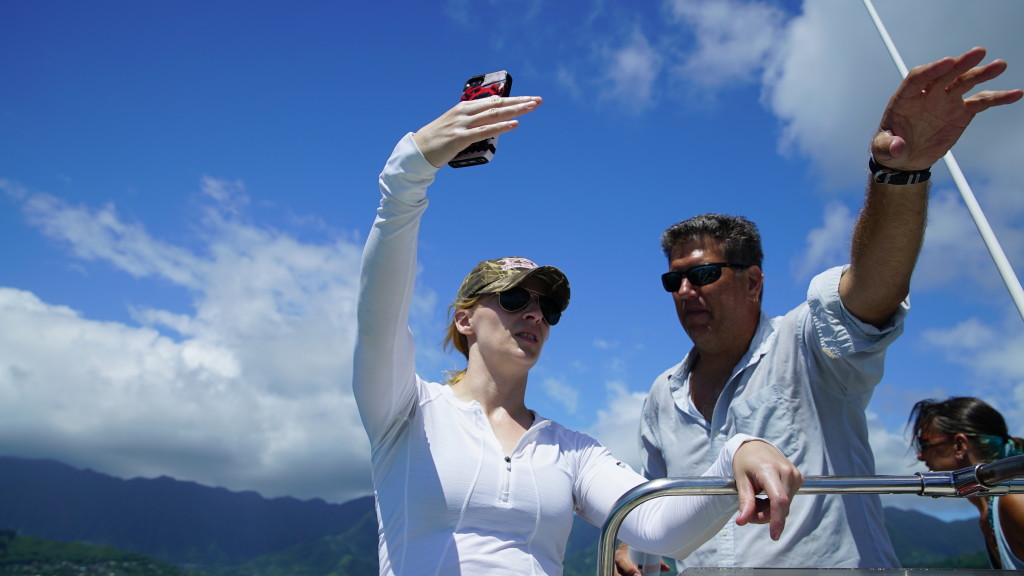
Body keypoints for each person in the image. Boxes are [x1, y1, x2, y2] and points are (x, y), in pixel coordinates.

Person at [352, 92, 804, 576]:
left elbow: (658, 527)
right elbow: (380, 322)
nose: (534, 314)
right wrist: (408, 176)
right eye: (512, 299)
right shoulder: (407, 410)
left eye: (545, 306)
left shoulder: (571, 449)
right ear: (465, 320)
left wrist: (736, 452)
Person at [617, 46, 1023, 574]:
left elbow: (872, 290)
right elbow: (659, 507)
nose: (687, 291)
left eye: (704, 275)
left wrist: (898, 174)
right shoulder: (660, 396)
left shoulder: (809, 346)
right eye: (675, 279)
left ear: (754, 282)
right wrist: (630, 548)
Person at [909, 397, 1024, 569]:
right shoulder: (991, 514)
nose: (920, 456)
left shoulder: (1013, 500)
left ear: (959, 445)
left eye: (923, 443)